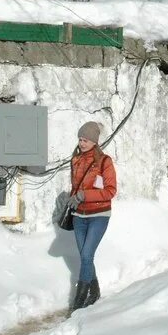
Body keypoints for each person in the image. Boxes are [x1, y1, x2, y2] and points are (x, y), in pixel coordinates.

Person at [66, 121, 117, 310]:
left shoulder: (105, 161)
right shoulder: (76, 160)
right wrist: (73, 199)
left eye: (85, 140)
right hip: (79, 216)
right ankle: (94, 291)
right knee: (85, 257)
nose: (81, 143)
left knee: (87, 255)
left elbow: (110, 190)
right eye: (80, 139)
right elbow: (75, 187)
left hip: (99, 215)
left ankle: (79, 302)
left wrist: (84, 195)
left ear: (94, 141)